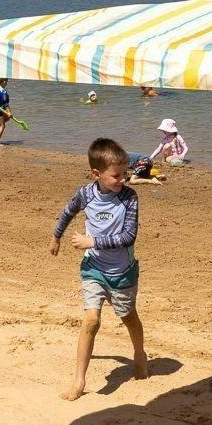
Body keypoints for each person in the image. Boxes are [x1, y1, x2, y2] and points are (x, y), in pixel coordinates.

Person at [50, 137, 148, 400]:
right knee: (91, 319)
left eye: (125, 173)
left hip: (123, 272)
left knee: (128, 317)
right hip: (93, 267)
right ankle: (79, 380)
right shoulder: (86, 194)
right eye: (116, 175)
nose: (123, 180)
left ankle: (139, 353)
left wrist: (92, 241)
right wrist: (56, 235)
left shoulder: (130, 198)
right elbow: (68, 211)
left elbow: (129, 237)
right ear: (97, 174)